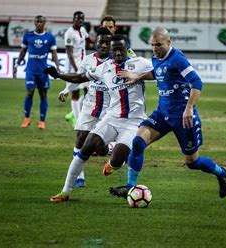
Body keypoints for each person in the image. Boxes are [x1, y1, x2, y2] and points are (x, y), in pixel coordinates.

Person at [112, 28, 226, 198]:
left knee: (192, 162)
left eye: (158, 45)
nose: (154, 49)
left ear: (169, 42)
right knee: (138, 141)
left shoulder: (177, 59)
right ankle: (130, 187)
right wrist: (138, 76)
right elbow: (157, 73)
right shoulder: (156, 57)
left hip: (183, 118)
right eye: (152, 45)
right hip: (162, 114)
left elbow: (197, 83)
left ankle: (222, 172)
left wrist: (189, 108)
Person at [44, 34, 153, 202]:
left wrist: (139, 77)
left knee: (117, 160)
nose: (117, 53)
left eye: (121, 49)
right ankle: (65, 191)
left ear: (128, 48)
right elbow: (80, 77)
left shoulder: (140, 64)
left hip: (133, 122)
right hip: (111, 118)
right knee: (85, 148)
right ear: (110, 50)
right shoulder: (105, 67)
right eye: (114, 49)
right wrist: (59, 75)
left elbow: (160, 72)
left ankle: (112, 164)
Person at [58, 27, 113, 188]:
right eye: (101, 42)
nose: (104, 45)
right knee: (80, 138)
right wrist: (66, 90)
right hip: (90, 105)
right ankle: (79, 177)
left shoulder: (116, 61)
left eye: (107, 43)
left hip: (109, 108)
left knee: (100, 149)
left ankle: (110, 148)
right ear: (95, 43)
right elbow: (78, 77)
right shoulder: (88, 60)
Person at [13, 15, 59, 129]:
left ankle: (42, 121)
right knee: (29, 92)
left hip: (43, 71)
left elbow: (54, 53)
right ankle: (26, 118)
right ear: (34, 23)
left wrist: (57, 67)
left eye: (41, 22)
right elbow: (23, 51)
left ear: (45, 23)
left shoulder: (50, 37)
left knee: (43, 94)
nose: (39, 24)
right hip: (31, 70)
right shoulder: (28, 36)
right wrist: (16, 65)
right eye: (37, 22)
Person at [62, 11, 89, 128]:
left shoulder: (83, 30)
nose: (80, 20)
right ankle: (78, 122)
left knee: (89, 91)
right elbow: (69, 53)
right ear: (73, 19)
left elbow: (89, 40)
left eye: (82, 19)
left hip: (83, 66)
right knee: (75, 93)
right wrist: (77, 69)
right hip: (73, 67)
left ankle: (73, 114)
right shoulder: (69, 33)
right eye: (78, 19)